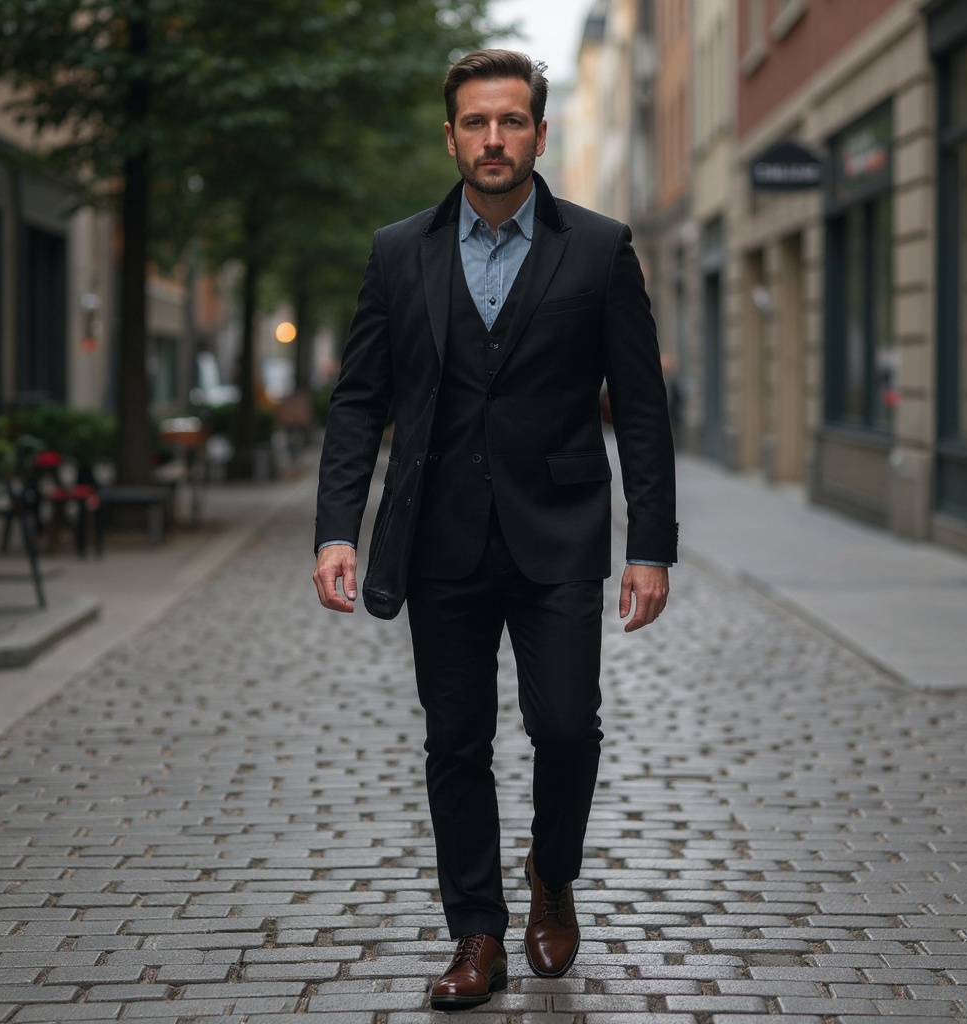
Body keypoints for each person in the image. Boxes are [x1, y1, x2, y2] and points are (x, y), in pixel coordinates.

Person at [312, 49, 677, 1012]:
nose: (493, 140)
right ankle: (476, 932)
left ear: (540, 134)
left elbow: (640, 408)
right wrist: (335, 528)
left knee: (566, 726)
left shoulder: (598, 249)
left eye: (511, 122)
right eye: (476, 123)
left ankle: (552, 874)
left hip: (556, 530)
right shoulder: (399, 252)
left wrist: (651, 544)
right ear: (451, 137)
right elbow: (359, 402)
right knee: (456, 742)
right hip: (440, 538)